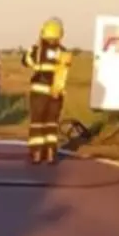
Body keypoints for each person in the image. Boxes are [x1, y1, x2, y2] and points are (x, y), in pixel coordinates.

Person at [21, 17, 73, 164]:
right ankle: (50, 153)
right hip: (56, 94)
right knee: (52, 123)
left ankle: (37, 153)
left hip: (39, 92)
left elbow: (25, 61)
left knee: (37, 123)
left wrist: (36, 47)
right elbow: (64, 72)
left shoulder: (37, 50)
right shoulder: (63, 52)